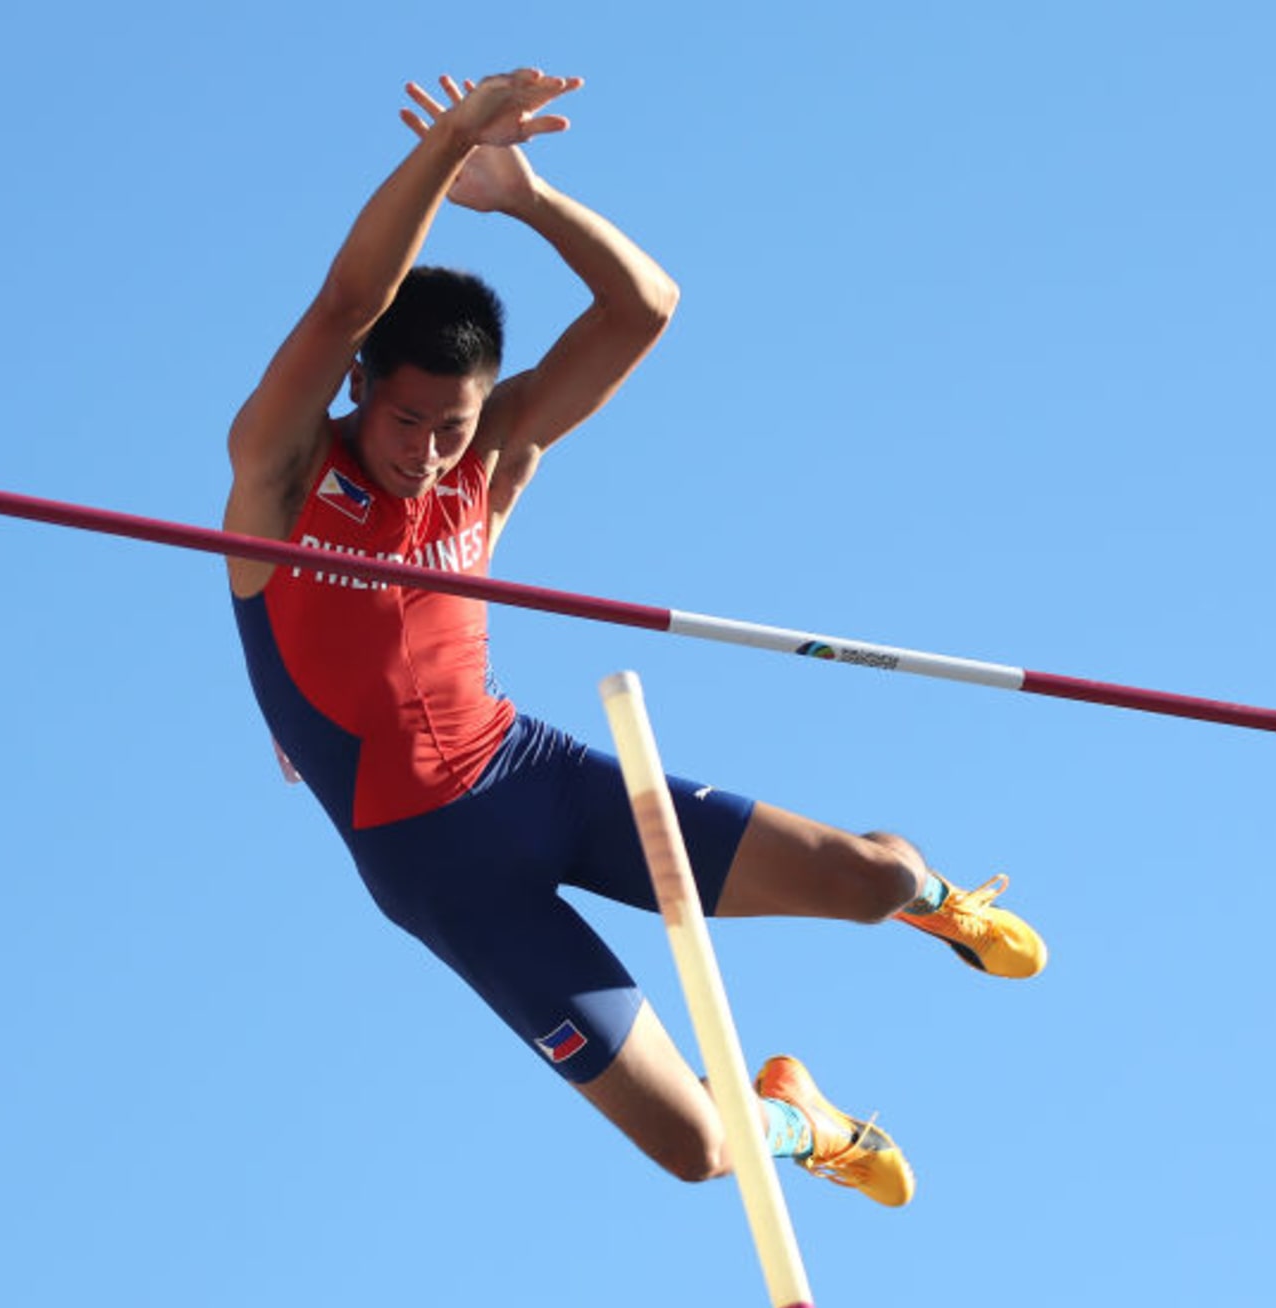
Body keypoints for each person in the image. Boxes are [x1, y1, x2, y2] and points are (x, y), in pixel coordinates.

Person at [225, 69, 1045, 1208]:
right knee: (700, 1147)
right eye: (405, 417)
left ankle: (933, 898)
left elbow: (646, 308)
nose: (423, 448)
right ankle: (803, 1122)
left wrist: (530, 200)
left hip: (535, 780)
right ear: (361, 388)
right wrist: (451, 140)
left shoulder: (490, 461)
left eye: (450, 424)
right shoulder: (283, 471)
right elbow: (343, 303)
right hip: (441, 873)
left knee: (878, 878)